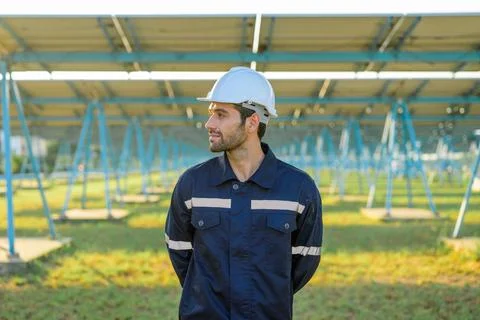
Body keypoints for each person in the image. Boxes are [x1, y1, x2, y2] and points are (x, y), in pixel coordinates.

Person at [165, 66, 323, 320]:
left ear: (252, 122)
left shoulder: (298, 189)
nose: (209, 124)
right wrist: (206, 295)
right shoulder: (192, 185)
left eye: (220, 114)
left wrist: (267, 296)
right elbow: (179, 250)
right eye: (211, 114)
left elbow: (304, 260)